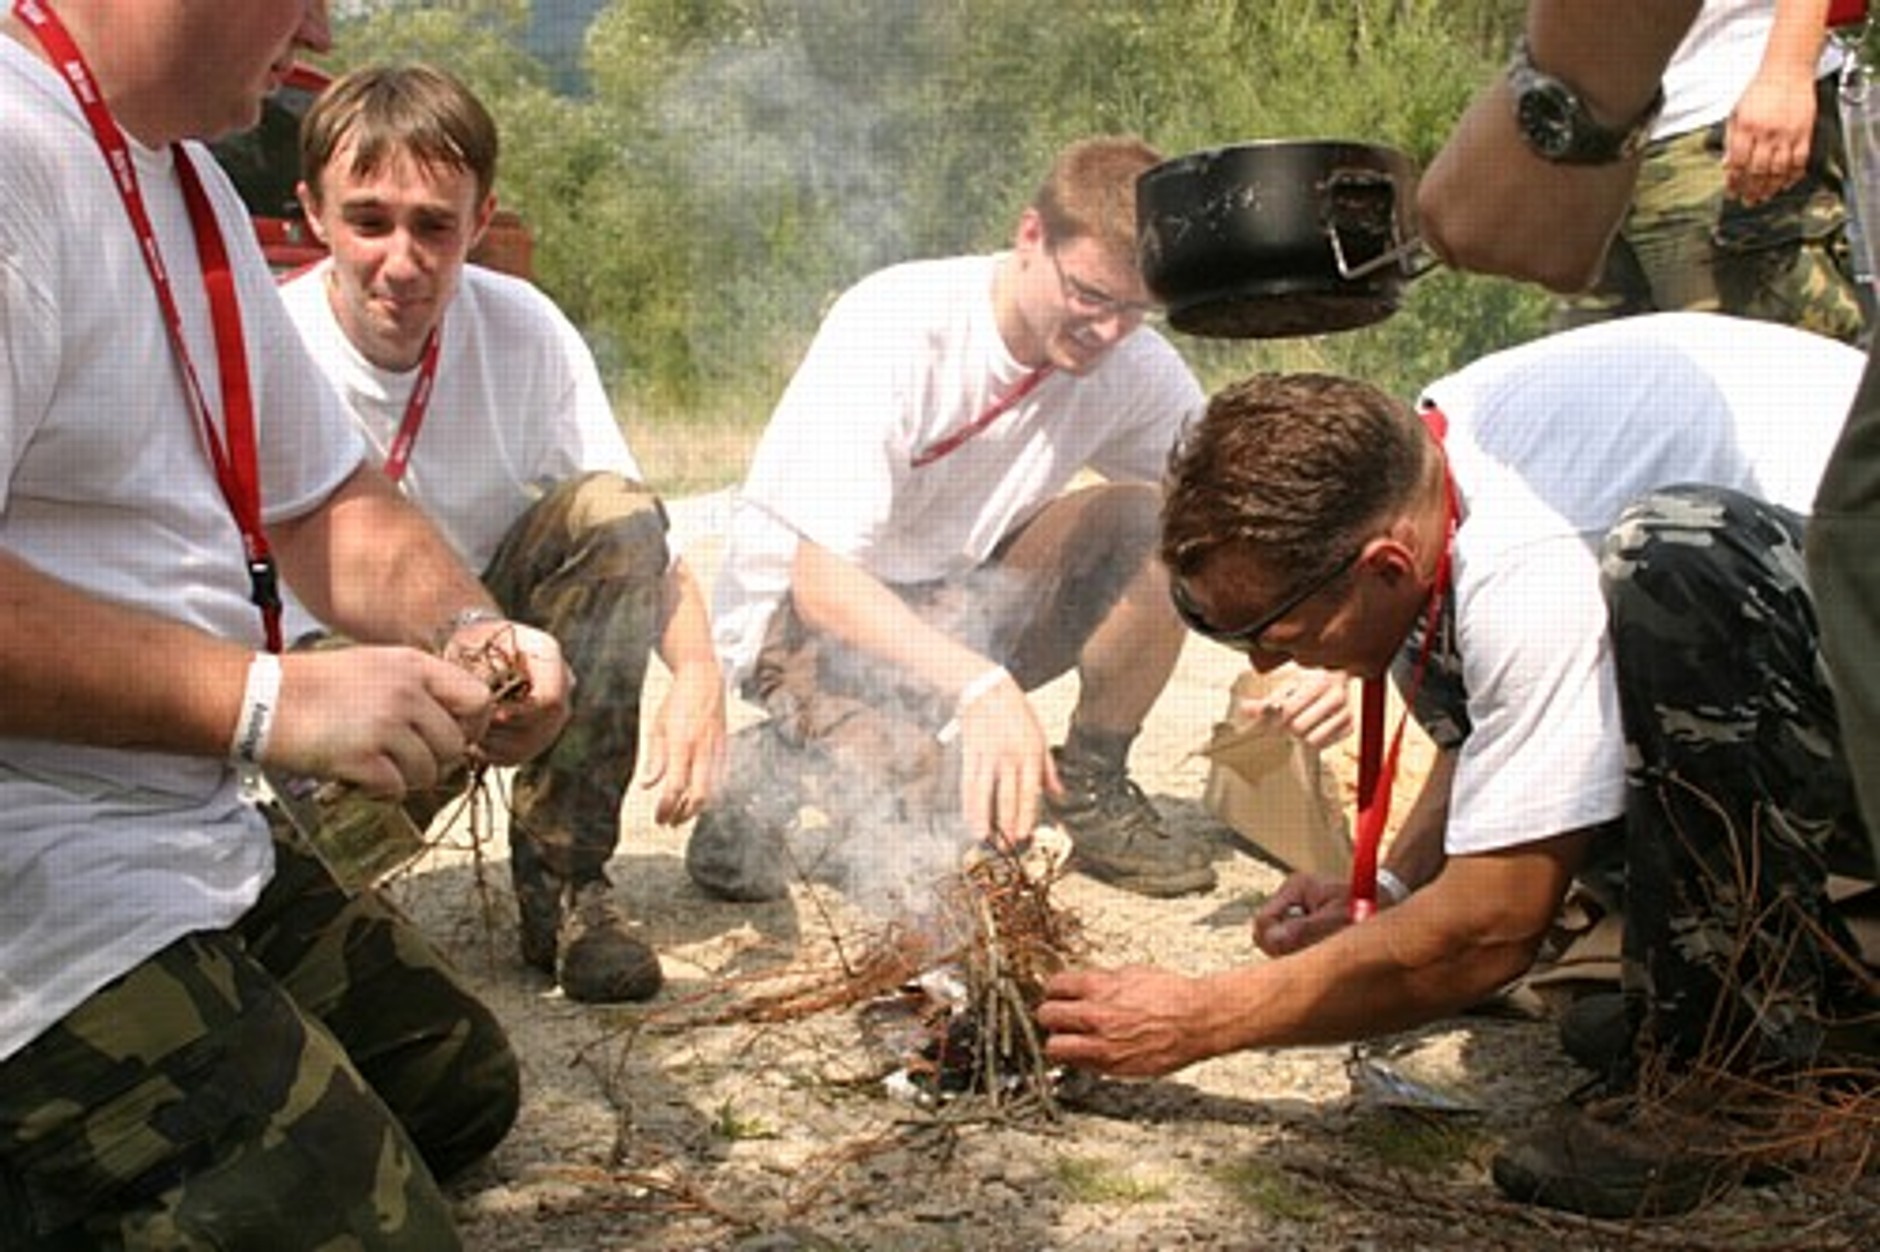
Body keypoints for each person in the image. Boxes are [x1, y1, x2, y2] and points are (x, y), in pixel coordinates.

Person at [1038, 313, 1878, 1219]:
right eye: (1220, 629)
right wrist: (1396, 887)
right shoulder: (1424, 471)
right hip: (1819, 648)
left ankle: (1734, 1077)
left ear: (1382, 563)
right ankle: (1766, 998)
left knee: (1679, 561)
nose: (1261, 669)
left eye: (1272, 635)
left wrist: (1203, 1019)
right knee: (1452, 643)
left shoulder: (1528, 563)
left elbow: (1491, 931)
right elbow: (1504, 728)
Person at [0, 2, 576, 1244]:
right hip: (34, 882)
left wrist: (470, 630)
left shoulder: (181, 175)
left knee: (455, 1084)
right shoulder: (9, 151)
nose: (322, 19)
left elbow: (322, 495)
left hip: (166, 823)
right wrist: (267, 699)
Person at [690, 135, 1344, 906]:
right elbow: (822, 584)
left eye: (1138, 310)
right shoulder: (898, 328)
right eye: (1092, 296)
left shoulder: (1129, 362)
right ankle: (769, 769)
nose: (1108, 331)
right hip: (804, 622)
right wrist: (983, 689)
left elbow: (1232, 504)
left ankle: (1092, 779)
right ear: (1031, 236)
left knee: (1159, 523)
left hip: (960, 602)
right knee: (924, 814)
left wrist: (1311, 642)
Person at [279, 63, 726, 1005]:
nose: (402, 260)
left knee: (611, 511)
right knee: (299, 939)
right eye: (370, 221)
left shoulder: (526, 328)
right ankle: (301, 892)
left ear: (480, 223)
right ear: (313, 215)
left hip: (493, 649)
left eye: (435, 226)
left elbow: (642, 532)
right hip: (328, 673)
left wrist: (701, 675)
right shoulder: (264, 345)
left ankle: (566, 886)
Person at [1416, 0, 1880, 891]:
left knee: (1761, 464)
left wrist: (1786, 66)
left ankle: (1816, 837)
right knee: (1608, 447)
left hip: (1735, 114)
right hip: (1633, 128)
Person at [1552, 0, 1866, 345]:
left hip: (1726, 109)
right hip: (1591, 141)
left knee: (1768, 381)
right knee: (1609, 386)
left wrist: (1786, 70)